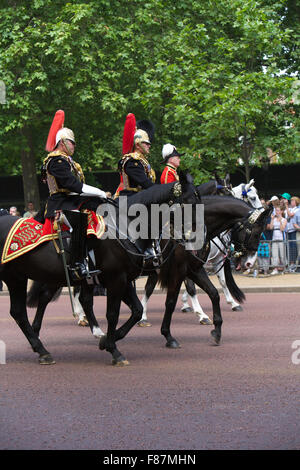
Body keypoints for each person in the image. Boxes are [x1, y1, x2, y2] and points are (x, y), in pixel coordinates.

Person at [41, 109, 107, 281]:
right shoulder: (56, 160)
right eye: (72, 142)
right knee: (80, 219)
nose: (74, 145)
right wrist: (99, 191)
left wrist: (98, 197)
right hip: (61, 203)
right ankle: (77, 264)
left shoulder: (67, 161)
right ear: (62, 142)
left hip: (72, 200)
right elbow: (72, 185)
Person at [114, 113, 156, 198]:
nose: (149, 146)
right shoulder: (133, 160)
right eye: (146, 143)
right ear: (137, 145)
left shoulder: (142, 160)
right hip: (129, 199)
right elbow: (144, 183)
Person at [267, 206, 287, 275]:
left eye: (278, 210)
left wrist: (280, 220)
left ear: (281, 211)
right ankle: (275, 269)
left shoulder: (284, 219)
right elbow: (271, 227)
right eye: (276, 211)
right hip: (274, 238)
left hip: (281, 238)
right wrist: (272, 219)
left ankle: (283, 268)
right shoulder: (274, 219)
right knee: (275, 254)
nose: (277, 212)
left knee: (282, 255)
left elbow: (282, 229)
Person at [283, 195, 300, 272]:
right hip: (287, 231)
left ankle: (293, 264)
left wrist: (286, 205)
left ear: (296, 202)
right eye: (291, 201)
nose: (291, 202)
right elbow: (284, 213)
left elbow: (290, 215)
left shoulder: (297, 209)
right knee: (288, 248)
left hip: (293, 231)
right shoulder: (289, 209)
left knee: (293, 248)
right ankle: (289, 264)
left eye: (293, 201)